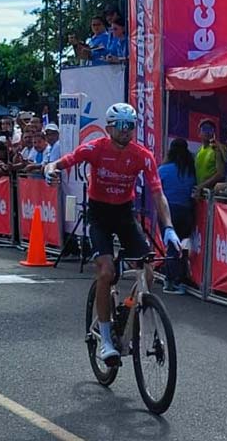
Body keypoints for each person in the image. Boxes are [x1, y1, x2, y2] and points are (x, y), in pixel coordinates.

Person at [44, 103, 179, 364]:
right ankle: (105, 339)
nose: (126, 131)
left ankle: (128, 313)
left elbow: (158, 193)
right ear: (108, 128)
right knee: (106, 272)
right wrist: (51, 171)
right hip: (99, 215)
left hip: (124, 215)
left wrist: (170, 227)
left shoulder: (142, 155)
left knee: (148, 274)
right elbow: (59, 163)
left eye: (130, 126)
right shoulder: (95, 148)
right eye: (120, 126)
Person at [158, 138, 196, 295]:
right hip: (186, 211)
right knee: (180, 245)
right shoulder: (190, 171)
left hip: (168, 211)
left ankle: (172, 280)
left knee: (171, 247)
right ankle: (178, 277)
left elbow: (156, 190)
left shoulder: (163, 170)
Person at [193, 119, 224, 199]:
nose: (207, 132)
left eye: (210, 129)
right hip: (201, 194)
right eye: (204, 129)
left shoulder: (217, 149)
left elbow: (220, 174)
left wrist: (202, 186)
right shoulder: (199, 150)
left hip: (211, 195)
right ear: (199, 133)